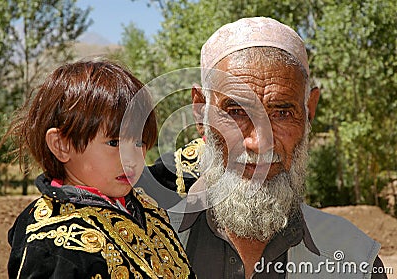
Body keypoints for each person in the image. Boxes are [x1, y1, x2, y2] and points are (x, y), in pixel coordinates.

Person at [139, 17, 387, 278]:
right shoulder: (139, 242)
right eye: (236, 111)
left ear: (309, 111)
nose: (259, 143)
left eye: (282, 112)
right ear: (201, 112)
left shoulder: (355, 261)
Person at [5, 60, 195, 278]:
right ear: (61, 145)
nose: (131, 159)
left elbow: (173, 170)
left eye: (139, 143)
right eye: (114, 143)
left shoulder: (142, 206)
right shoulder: (54, 245)